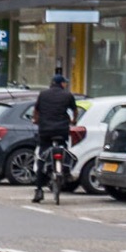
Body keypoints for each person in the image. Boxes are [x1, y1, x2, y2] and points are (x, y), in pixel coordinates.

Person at [29, 72, 77, 204]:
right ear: (61, 84)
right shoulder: (67, 95)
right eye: (65, 83)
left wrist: (36, 120)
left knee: (42, 157)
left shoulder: (43, 94)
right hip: (62, 130)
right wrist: (73, 121)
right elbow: (75, 110)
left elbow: (36, 110)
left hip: (45, 130)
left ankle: (39, 190)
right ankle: (66, 172)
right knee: (64, 150)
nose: (65, 84)